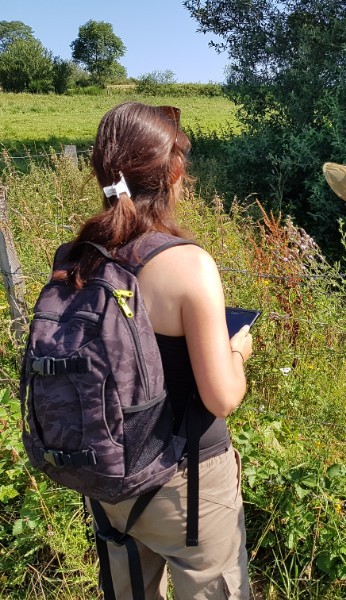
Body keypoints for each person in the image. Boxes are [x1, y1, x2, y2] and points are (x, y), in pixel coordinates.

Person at [67, 102, 252, 598]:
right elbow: (221, 398)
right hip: (186, 485)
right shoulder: (187, 264)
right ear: (173, 172)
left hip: (108, 478)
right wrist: (238, 351)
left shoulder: (80, 257)